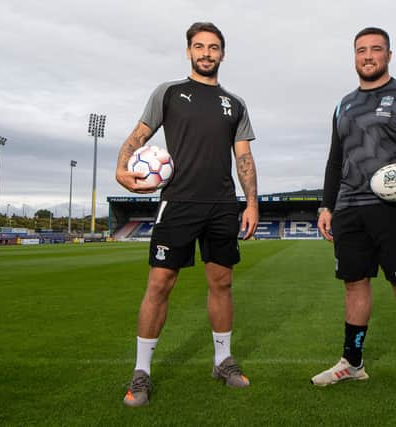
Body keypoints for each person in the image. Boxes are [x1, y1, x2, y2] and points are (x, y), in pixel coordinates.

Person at [115, 22, 258, 407]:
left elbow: (243, 157)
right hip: (177, 202)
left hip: (222, 205)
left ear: (222, 54)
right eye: (199, 46)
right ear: (189, 51)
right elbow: (139, 134)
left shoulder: (235, 103)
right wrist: (121, 165)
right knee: (160, 284)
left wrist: (252, 203)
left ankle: (222, 360)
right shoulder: (169, 93)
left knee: (222, 282)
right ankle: (141, 371)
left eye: (213, 47)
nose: (206, 53)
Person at [311, 27, 396, 406]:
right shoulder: (343, 105)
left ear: (389, 55)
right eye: (361, 50)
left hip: (395, 208)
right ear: (354, 56)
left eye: (376, 49)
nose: (368, 55)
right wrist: (326, 205)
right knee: (354, 284)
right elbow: (334, 161)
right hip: (349, 209)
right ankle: (352, 362)